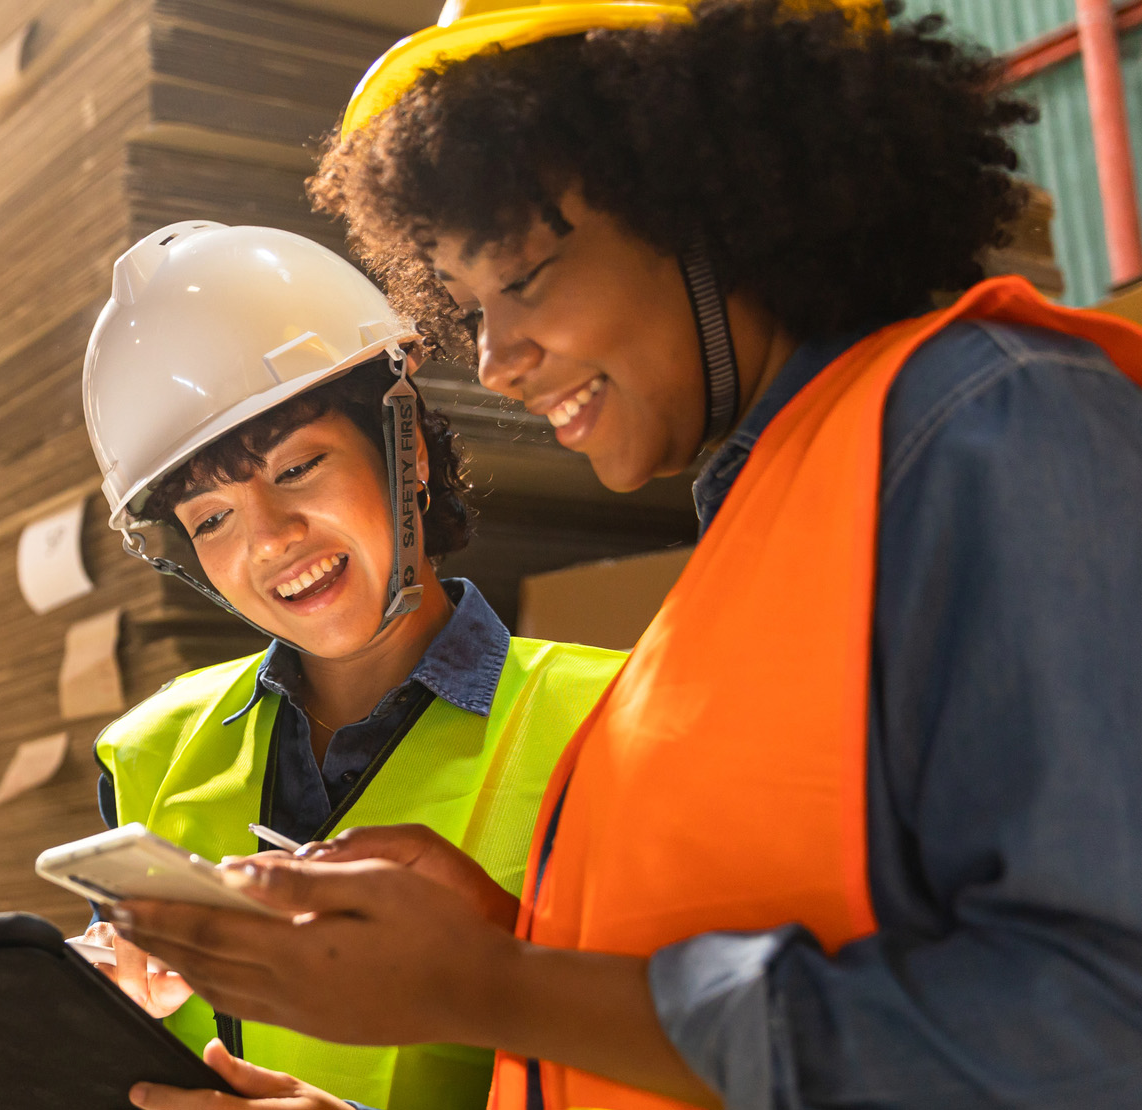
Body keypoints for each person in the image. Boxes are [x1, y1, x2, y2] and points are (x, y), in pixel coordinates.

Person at [108, 2, 1142, 1109]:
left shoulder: (991, 424)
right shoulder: (767, 526)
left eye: (526, 278)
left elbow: (1095, 1032)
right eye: (468, 308)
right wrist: (508, 956)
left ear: (714, 198)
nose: (496, 360)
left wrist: (492, 985)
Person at [74, 219, 626, 1110]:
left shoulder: (613, 720)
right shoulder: (149, 752)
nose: (269, 540)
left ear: (403, 449)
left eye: (296, 468)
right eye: (211, 519)